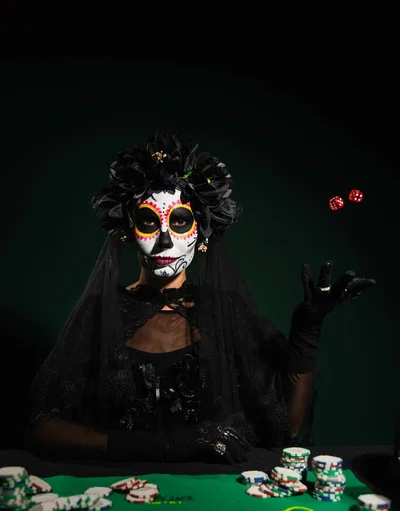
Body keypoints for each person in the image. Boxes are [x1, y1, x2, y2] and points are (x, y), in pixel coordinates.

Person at [28, 132, 376, 464]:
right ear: (128, 233)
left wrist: (307, 333)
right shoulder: (103, 314)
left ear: (202, 234)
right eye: (149, 222)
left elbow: (290, 425)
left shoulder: (225, 315)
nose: (165, 241)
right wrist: (165, 446)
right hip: (122, 499)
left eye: (180, 222)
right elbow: (44, 428)